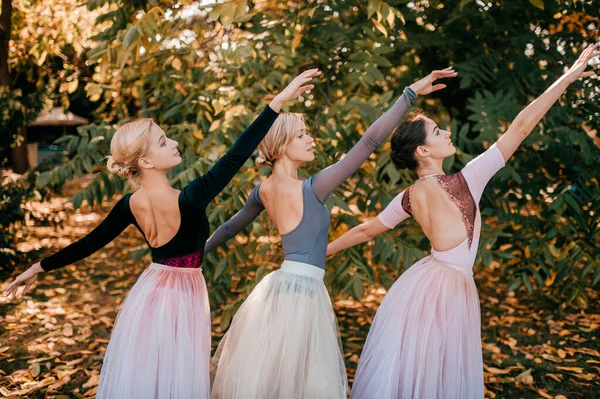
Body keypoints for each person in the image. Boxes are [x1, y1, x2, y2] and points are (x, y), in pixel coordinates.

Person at [2, 69, 320, 399]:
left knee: (150, 375)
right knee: (177, 377)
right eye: (164, 142)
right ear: (145, 161)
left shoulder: (129, 204)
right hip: (184, 296)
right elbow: (237, 155)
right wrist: (277, 102)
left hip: (150, 291)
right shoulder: (192, 197)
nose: (174, 143)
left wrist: (39, 267)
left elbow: (89, 243)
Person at [326, 44, 599, 399]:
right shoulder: (468, 179)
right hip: (447, 289)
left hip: (425, 286)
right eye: (437, 131)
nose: (447, 133)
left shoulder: (407, 197)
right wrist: (568, 76)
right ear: (423, 150)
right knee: (438, 368)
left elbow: (367, 229)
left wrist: (324, 252)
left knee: (420, 366)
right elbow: (521, 125)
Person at [204, 67, 457, 399]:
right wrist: (409, 95)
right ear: (280, 144)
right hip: (304, 292)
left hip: (279, 288)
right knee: (301, 381)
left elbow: (229, 228)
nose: (311, 139)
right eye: (301, 135)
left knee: (270, 376)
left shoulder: (262, 191)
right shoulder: (312, 187)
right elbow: (368, 142)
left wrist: (196, 252)